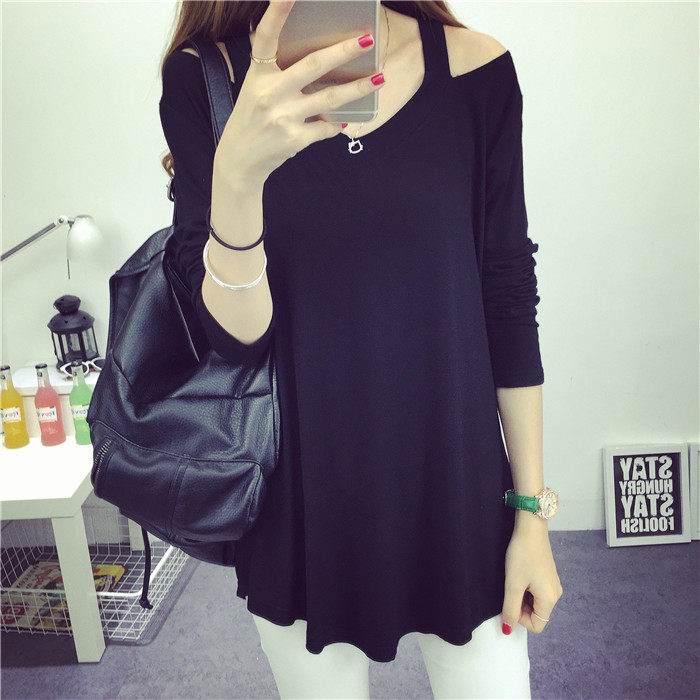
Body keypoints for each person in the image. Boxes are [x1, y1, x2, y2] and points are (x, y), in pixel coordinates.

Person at [159, 1, 563, 697]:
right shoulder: (209, 80)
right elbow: (235, 337)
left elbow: (506, 296)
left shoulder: (477, 70)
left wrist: (531, 517)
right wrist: (238, 178)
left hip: (458, 489)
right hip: (299, 505)